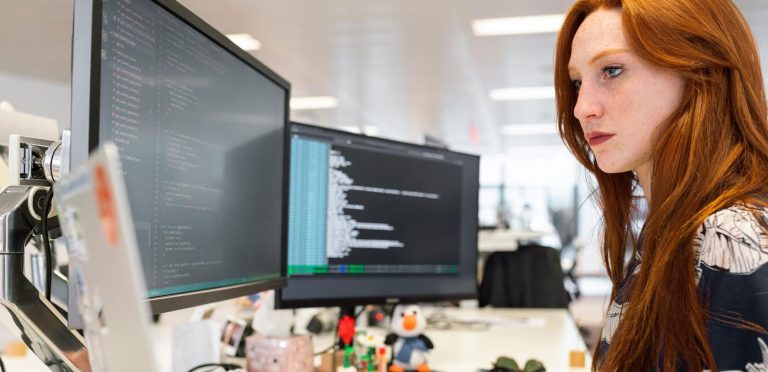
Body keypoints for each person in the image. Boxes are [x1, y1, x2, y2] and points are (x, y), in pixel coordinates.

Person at [554, 0, 768, 370]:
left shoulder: (729, 236)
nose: (580, 107)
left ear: (700, 69)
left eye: (612, 70)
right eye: (577, 82)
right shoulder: (675, 228)